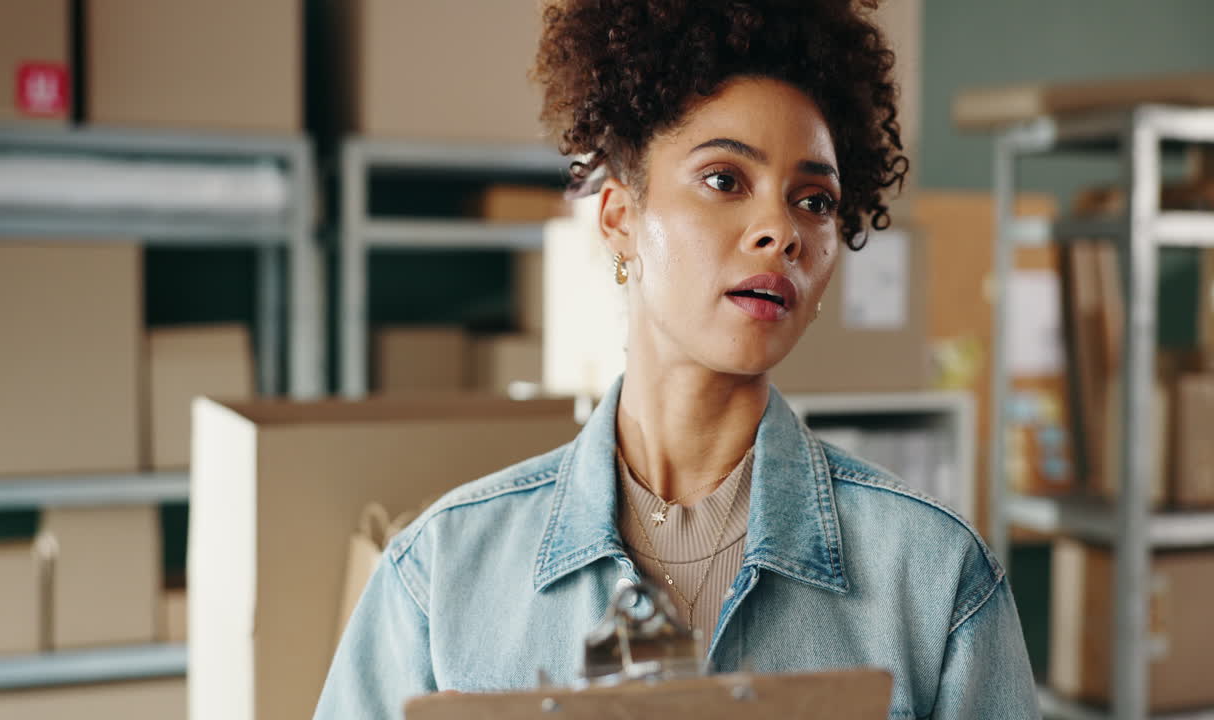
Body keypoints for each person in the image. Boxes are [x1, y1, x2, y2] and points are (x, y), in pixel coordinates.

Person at [315, 1, 1039, 718]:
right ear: (620, 218)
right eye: (725, 180)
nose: (780, 231)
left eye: (814, 201)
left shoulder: (939, 577)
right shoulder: (439, 575)